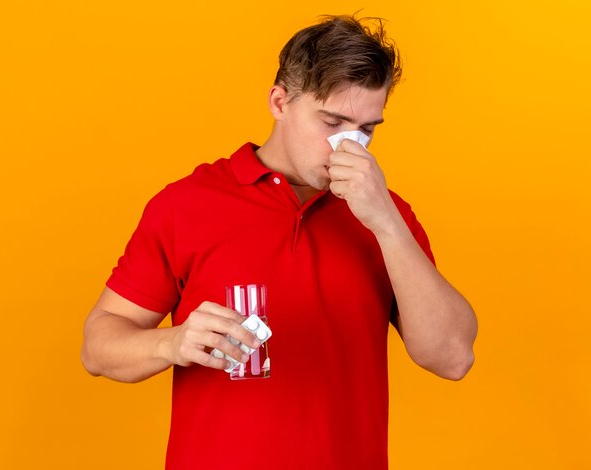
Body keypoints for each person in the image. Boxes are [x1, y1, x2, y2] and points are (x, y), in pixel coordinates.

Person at [81, 14, 478, 469]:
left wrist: (385, 221)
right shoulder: (186, 205)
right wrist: (170, 343)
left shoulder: (387, 216)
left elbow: (452, 358)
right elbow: (97, 346)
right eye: (332, 121)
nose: (349, 147)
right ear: (279, 101)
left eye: (367, 130)